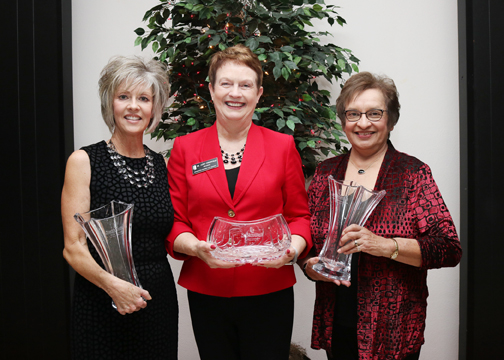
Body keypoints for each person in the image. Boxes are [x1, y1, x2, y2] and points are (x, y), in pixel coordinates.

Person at [300, 72, 462, 360]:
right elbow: (308, 241)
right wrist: (310, 266)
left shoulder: (412, 174)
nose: (363, 123)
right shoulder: (325, 172)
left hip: (394, 327)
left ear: (391, 119)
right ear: (343, 120)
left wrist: (386, 246)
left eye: (374, 113)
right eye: (353, 114)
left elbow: (448, 248)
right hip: (337, 320)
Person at [166, 44, 312, 360]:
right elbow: (175, 221)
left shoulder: (283, 147)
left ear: (258, 93)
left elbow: (299, 216)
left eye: (245, 85)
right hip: (207, 290)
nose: (236, 93)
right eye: (226, 83)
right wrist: (194, 248)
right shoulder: (185, 149)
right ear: (211, 89)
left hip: (269, 289)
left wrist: (292, 251)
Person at [61, 56, 178, 359]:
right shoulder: (84, 161)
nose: (133, 106)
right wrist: (114, 287)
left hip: (157, 298)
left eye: (143, 98)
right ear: (110, 103)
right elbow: (73, 247)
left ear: (155, 107)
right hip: (102, 298)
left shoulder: (161, 164)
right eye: (123, 97)